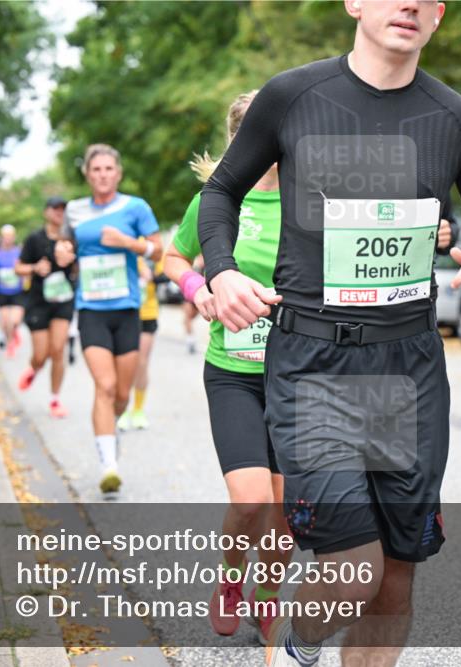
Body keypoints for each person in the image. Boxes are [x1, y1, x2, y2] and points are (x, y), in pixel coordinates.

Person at [197, 2, 461, 665]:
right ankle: (297, 642)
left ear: (438, 14)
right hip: (312, 358)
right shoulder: (293, 96)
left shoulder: (457, 119)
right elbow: (221, 193)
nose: (407, 5)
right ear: (354, 2)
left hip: (409, 365)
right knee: (355, 563)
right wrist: (222, 272)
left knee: (397, 571)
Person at [164, 90, 293, 644]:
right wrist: (200, 289)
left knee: (287, 523)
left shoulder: (315, 199)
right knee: (250, 500)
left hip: (298, 374)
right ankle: (231, 581)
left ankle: (267, 598)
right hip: (233, 371)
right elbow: (173, 257)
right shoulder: (216, 201)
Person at [54, 144, 163, 495]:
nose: (102, 175)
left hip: (127, 310)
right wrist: (62, 251)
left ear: (118, 173)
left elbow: (159, 250)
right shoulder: (75, 210)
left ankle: (109, 430)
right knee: (103, 385)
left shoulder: (135, 208)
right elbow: (65, 246)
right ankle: (108, 465)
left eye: (108, 169)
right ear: (87, 174)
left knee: (120, 394)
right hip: (91, 311)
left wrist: (129, 243)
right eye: (95, 169)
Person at [15, 196, 75, 419]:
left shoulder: (71, 237)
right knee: (41, 354)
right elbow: (18, 268)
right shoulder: (34, 239)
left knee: (58, 350)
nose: (60, 212)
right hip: (38, 302)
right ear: (46, 212)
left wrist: (72, 260)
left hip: (63, 301)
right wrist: (34, 267)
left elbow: (79, 264)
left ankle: (55, 399)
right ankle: (34, 368)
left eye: (63, 209)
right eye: (55, 208)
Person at [117, 252, 161, 431]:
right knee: (124, 364)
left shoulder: (152, 247)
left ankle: (138, 409)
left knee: (141, 363)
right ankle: (123, 408)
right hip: (124, 311)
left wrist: (151, 276)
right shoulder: (122, 242)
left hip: (147, 313)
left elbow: (167, 273)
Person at [0, 225, 25, 357]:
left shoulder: (19, 252)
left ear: (14, 237)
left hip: (17, 290)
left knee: (15, 320)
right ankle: (10, 343)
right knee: (4, 322)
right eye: (5, 236)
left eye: (10, 236)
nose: (8, 239)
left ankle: (14, 333)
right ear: (2, 238)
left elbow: (24, 268)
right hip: (2, 291)